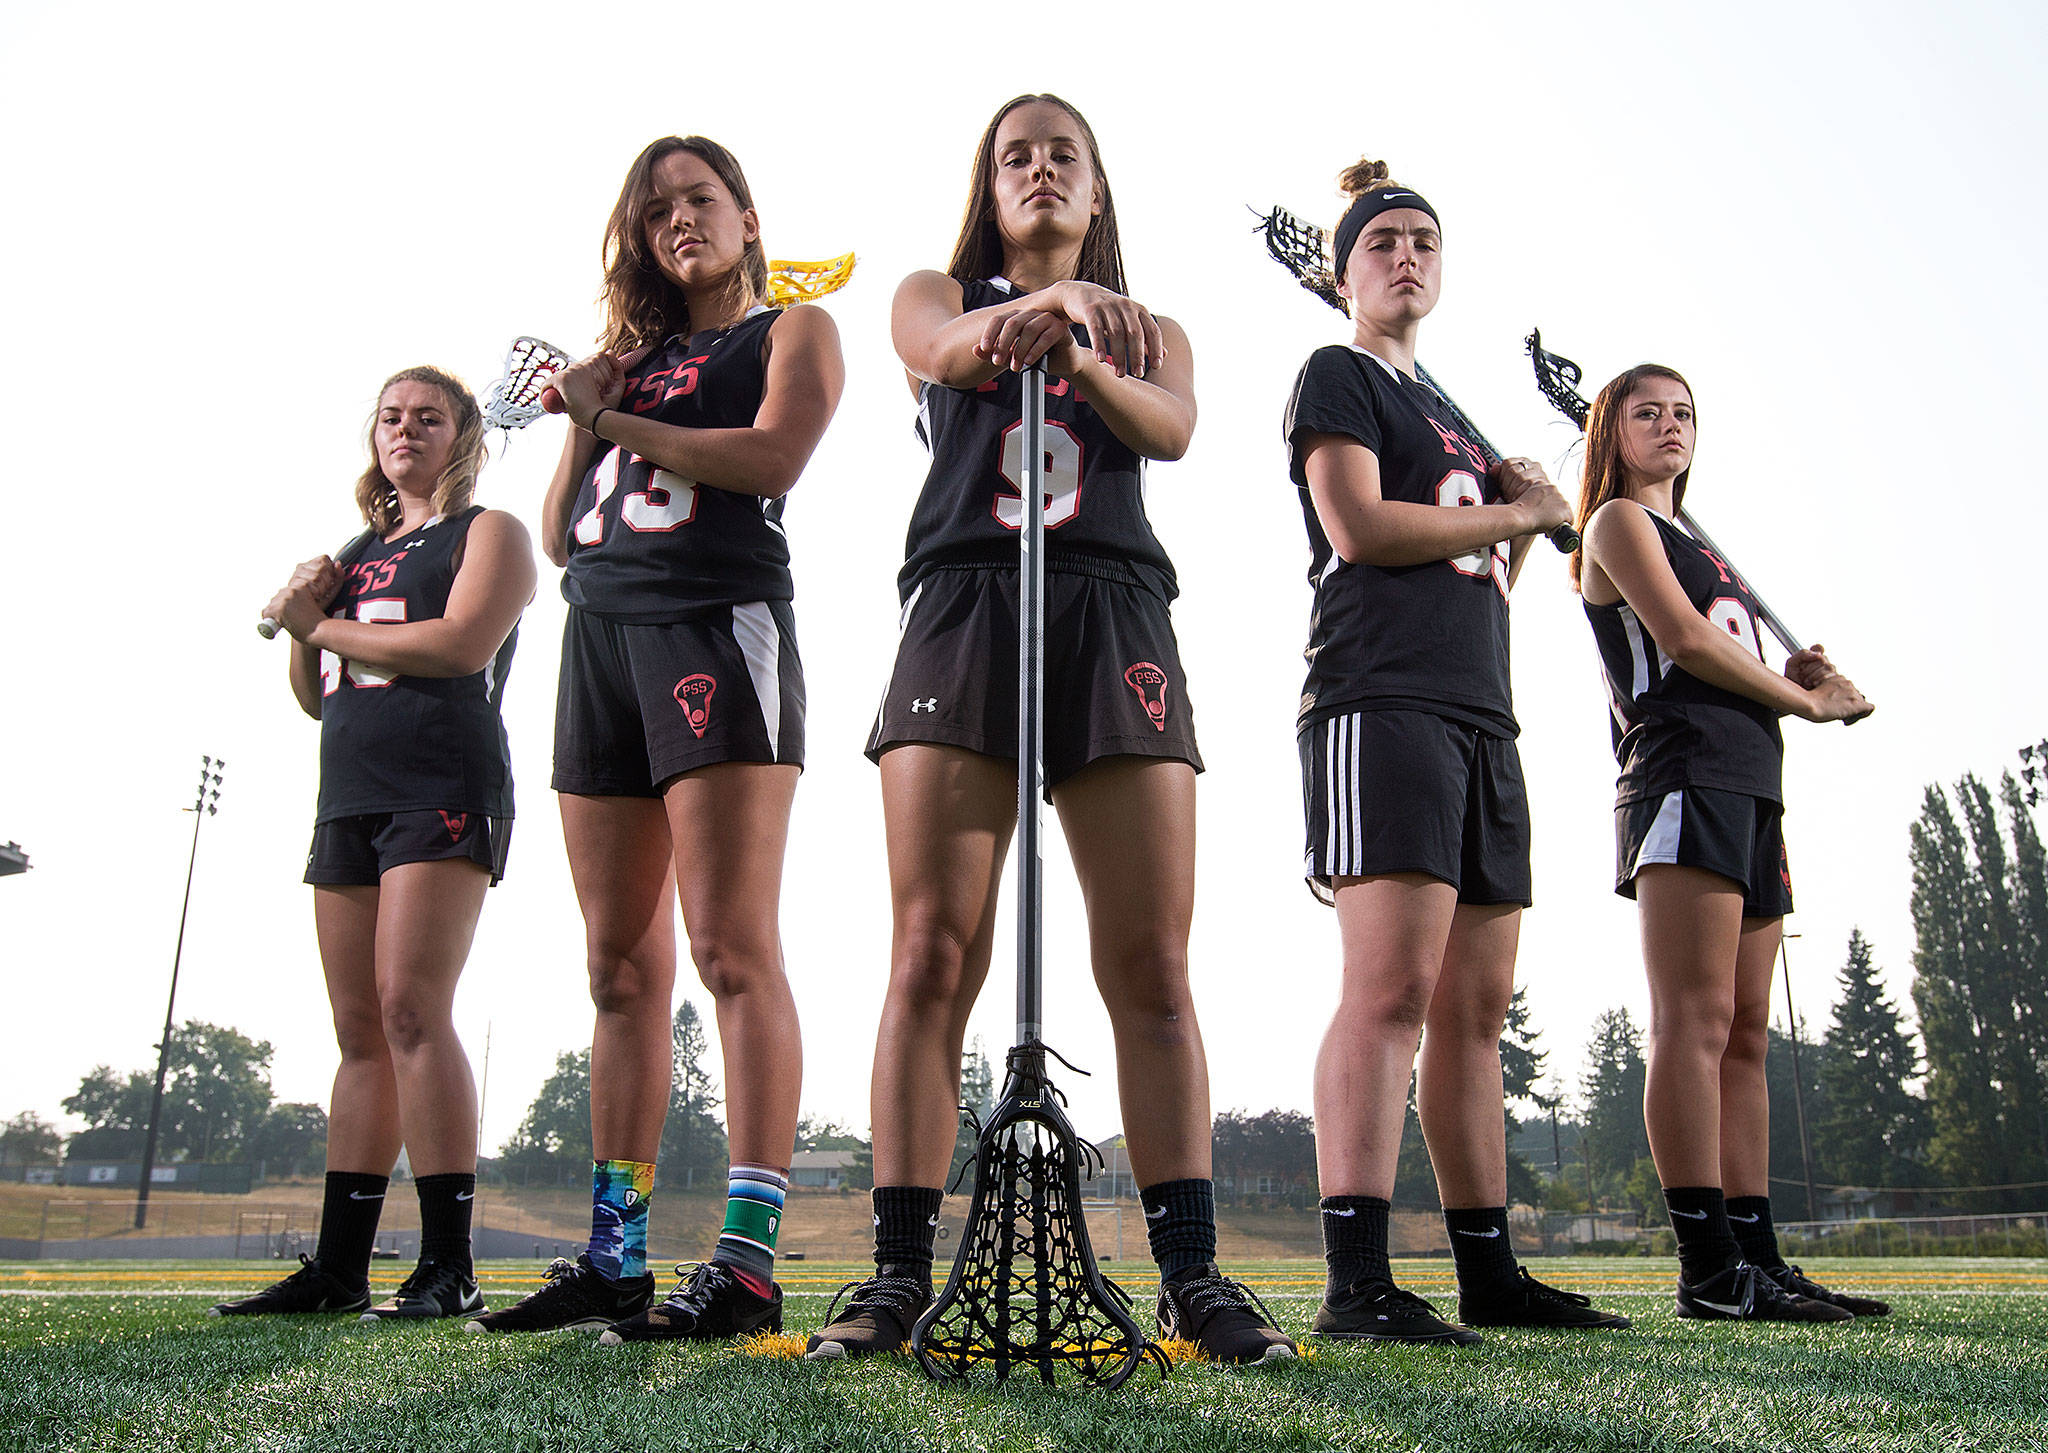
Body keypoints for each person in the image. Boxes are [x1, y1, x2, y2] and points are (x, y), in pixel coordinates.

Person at [806, 93, 1295, 1367]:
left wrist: (1080, 345)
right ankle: (898, 1269)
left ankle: (1189, 1271)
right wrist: (1033, 319)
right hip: (966, 595)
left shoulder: (1148, 325)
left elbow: (1173, 429)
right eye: (1012, 155)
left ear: (1096, 190)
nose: (1035, 170)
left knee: (1149, 964)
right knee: (930, 947)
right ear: (989, 184)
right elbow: (942, 348)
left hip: (1112, 604)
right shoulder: (932, 286)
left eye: (1060, 155)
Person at [465, 135, 843, 1344]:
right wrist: (594, 405)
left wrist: (617, 410)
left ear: (744, 213)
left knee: (730, 945)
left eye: (700, 199)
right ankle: (614, 1254)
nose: (680, 219)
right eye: (657, 208)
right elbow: (565, 534)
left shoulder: (789, 329)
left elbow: (773, 456)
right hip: (602, 642)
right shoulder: (631, 360)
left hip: (715, 626)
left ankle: (743, 1261)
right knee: (617, 969)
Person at [1282, 158, 1628, 1341]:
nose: (1405, 256)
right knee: (1387, 995)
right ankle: (1355, 1279)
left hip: (1482, 711)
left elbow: (1480, 567)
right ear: (1342, 272)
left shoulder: (1455, 413)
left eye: (1423, 239)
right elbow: (1364, 529)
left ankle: (1488, 1268)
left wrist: (1519, 521)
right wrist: (1519, 510)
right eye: (1381, 242)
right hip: (1376, 702)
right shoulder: (1335, 373)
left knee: (1475, 1011)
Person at [215, 366, 534, 1321]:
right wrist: (302, 629)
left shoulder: (491, 532)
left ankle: (448, 1263)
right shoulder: (357, 550)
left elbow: (460, 644)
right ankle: (338, 1268)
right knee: (359, 1033)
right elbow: (318, 693)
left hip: (442, 784)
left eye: (428, 416)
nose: (406, 429)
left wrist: (323, 621)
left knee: (411, 1009)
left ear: (461, 435)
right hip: (348, 794)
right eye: (392, 416)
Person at [1575, 364, 1886, 1321]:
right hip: (1682, 776)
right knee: (1695, 1020)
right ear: (1612, 433)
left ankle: (1759, 1256)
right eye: (1648, 413)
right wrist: (1813, 701)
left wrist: (1788, 672)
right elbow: (1689, 644)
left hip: (1755, 787)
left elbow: (1732, 649)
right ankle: (1707, 1268)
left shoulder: (1708, 549)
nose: (1670, 426)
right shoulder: (1618, 525)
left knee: (1749, 1031)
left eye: (1684, 413)